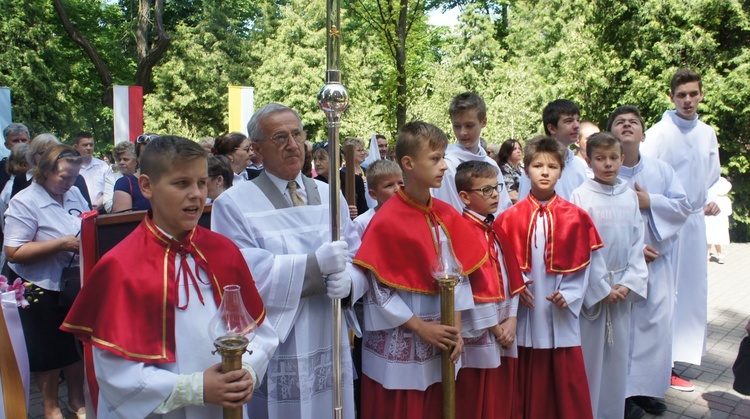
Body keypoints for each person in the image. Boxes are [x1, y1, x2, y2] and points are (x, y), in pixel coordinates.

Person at [62, 136, 278, 418]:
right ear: (147, 186)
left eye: (202, 183)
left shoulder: (223, 250)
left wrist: (247, 369)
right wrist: (196, 388)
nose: (197, 194)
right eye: (181, 183)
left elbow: (259, 331)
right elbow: (114, 371)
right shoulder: (120, 266)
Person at [211, 103, 366, 419]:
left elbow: (357, 255)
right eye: (279, 138)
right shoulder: (233, 204)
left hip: (328, 331)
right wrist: (313, 266)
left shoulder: (329, 195)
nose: (293, 145)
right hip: (276, 343)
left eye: (297, 134)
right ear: (256, 149)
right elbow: (241, 276)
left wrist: (351, 282)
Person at [353, 121, 485, 418]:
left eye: (443, 158)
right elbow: (377, 289)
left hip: (442, 340)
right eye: (435, 158)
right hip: (403, 342)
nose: (444, 167)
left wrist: (458, 330)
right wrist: (420, 327)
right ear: (408, 163)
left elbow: (459, 276)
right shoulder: (386, 220)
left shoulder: (447, 215)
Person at [494, 136, 608, 419]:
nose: (545, 172)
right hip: (524, 312)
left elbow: (587, 265)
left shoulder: (576, 217)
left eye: (552, 166)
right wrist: (517, 287)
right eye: (537, 165)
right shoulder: (508, 218)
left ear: (561, 171)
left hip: (559, 312)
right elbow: (499, 265)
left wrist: (568, 294)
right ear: (526, 169)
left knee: (563, 382)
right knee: (523, 374)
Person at [641, 68, 722, 390]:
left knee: (690, 291)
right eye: (681, 95)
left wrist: (712, 198)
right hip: (663, 222)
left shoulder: (707, 133)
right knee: (663, 295)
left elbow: (711, 175)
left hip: (694, 222)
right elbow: (646, 179)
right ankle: (663, 363)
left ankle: (680, 356)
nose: (688, 100)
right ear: (672, 97)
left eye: (693, 94)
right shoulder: (659, 133)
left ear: (701, 94)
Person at [608, 105, 691, 417]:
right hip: (619, 271)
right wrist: (630, 250)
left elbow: (683, 207)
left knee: (652, 333)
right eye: (620, 122)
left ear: (643, 133)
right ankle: (622, 395)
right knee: (622, 335)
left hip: (657, 267)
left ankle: (645, 391)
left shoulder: (661, 170)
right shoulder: (604, 173)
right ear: (610, 133)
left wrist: (650, 201)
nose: (628, 126)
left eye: (634, 122)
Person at [5, 145, 88, 419]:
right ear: (44, 171)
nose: (70, 183)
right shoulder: (24, 201)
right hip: (36, 288)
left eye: (75, 176)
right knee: (48, 352)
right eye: (64, 177)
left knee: (74, 345)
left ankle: (76, 402)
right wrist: (61, 244)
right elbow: (14, 251)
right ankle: (51, 408)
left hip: (71, 286)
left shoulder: (74, 193)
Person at [570, 132, 648, 419]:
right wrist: (602, 287)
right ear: (589, 161)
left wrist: (628, 283)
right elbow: (580, 247)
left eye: (613, 158)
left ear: (622, 159)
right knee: (590, 362)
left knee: (616, 364)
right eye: (600, 158)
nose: (608, 164)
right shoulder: (580, 196)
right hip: (595, 292)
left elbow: (637, 243)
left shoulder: (629, 196)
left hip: (622, 293)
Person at [454, 160, 525, 419]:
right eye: (485, 190)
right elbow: (469, 286)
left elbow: (511, 276)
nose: (496, 194)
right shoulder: (462, 231)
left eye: (497, 187)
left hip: (505, 323)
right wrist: (496, 327)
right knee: (476, 396)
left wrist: (513, 319)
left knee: (500, 394)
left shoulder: (495, 227)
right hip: (481, 329)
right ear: (465, 196)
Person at [432, 92, 512, 214]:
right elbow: (449, 212)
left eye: (469, 126)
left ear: (483, 122)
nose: (462, 132)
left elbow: (503, 208)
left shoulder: (491, 164)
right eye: (457, 126)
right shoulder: (448, 166)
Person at [518, 99, 589, 200]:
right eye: (569, 121)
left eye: (578, 120)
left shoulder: (579, 165)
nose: (577, 126)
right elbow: (524, 205)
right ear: (552, 128)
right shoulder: (536, 165)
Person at [11, 134, 92, 208]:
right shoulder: (22, 200)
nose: (49, 157)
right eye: (43, 153)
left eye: (55, 153)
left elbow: (88, 214)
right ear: (33, 156)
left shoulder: (75, 189)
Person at [352, 159, 403, 237]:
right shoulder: (362, 222)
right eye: (389, 185)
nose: (397, 189)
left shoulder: (413, 217)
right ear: (373, 194)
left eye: (400, 183)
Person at [74, 132, 111, 210]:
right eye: (85, 145)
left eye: (91, 145)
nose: (89, 148)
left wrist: (96, 206)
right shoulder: (72, 167)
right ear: (76, 147)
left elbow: (109, 190)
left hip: (100, 210)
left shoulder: (103, 166)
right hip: (78, 210)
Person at [112, 141, 150, 213]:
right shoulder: (124, 183)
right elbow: (122, 221)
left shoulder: (171, 181)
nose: (121, 162)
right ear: (137, 159)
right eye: (145, 154)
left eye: (156, 154)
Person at [103, 141, 136, 213]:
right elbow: (108, 205)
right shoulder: (111, 178)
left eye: (125, 159)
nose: (121, 162)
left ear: (136, 161)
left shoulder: (142, 177)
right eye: (119, 160)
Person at [340, 137, 369, 218]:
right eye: (359, 150)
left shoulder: (367, 171)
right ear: (349, 153)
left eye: (363, 150)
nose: (363, 153)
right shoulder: (342, 174)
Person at [706, 176, 732, 264]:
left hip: (710, 221)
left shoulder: (712, 199)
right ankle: (720, 254)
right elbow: (729, 212)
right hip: (721, 222)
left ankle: (707, 254)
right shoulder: (726, 200)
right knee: (718, 238)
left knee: (709, 236)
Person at [0, 123, 30, 190]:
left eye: (23, 140)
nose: (20, 143)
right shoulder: (1, 168)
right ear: (7, 145)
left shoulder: (37, 165)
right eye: (15, 141)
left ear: (29, 142)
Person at [497, 139, 523, 204]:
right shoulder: (504, 169)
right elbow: (512, 196)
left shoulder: (521, 168)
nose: (518, 151)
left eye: (519, 148)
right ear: (506, 152)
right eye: (514, 149)